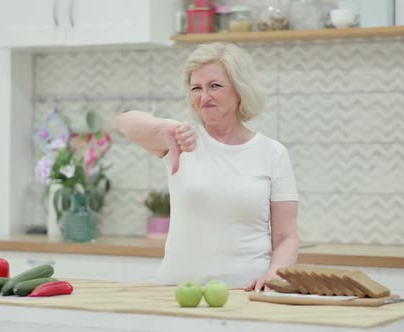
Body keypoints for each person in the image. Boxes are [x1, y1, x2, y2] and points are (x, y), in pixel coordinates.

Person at [115, 42, 299, 292]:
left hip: (246, 293)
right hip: (177, 291)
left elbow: (286, 237)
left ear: (239, 91)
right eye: (196, 88)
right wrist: (165, 128)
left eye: (215, 86)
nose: (204, 96)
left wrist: (274, 275)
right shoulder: (179, 139)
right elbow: (125, 122)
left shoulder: (273, 153)